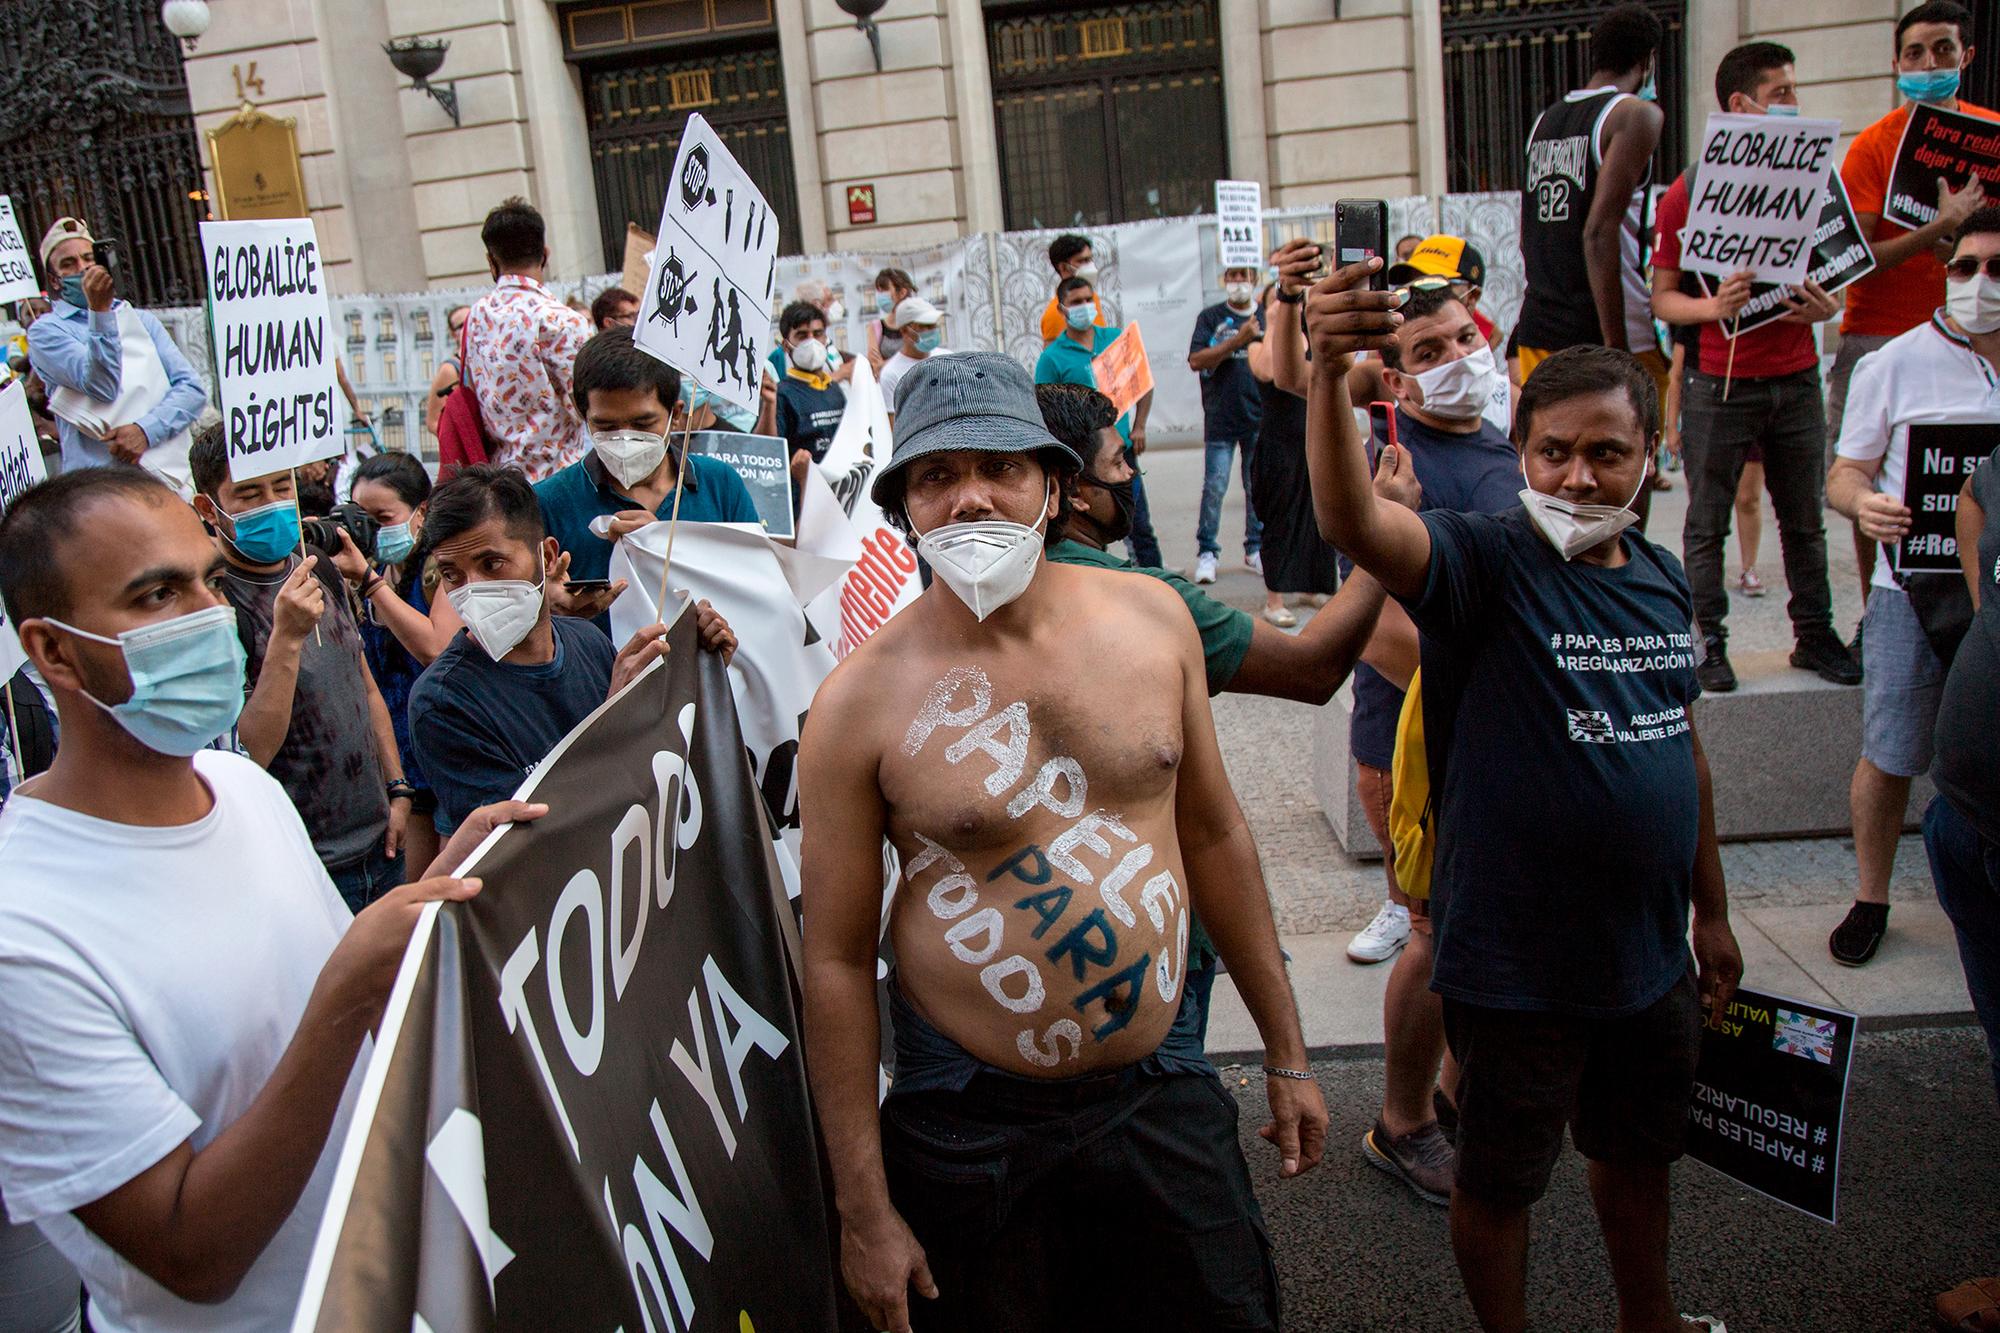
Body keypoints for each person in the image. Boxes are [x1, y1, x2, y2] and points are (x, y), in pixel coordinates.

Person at [799, 351, 1325, 1333]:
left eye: (999, 466)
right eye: (935, 475)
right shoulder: (855, 704)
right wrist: (862, 1207)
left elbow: (1212, 833)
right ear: (903, 504)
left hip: (1155, 1084)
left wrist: (1287, 1051)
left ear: (1054, 485)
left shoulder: (1155, 620)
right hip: (967, 1115)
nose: (969, 499)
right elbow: (832, 959)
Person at [1304, 257, 1742, 1333]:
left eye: (1606, 454)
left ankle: (1651, 1317)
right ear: (1521, 452)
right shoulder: (1482, 559)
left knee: (1637, 1156)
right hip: (1512, 967)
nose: (1579, 478)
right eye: (1554, 452)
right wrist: (1323, 377)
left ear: (1649, 457)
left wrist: (1713, 910)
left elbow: (1677, 743)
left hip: (1645, 957)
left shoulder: (1656, 577)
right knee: (1498, 1183)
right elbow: (1354, 525)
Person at [0, 464, 536, 1333]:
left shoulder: (240, 786)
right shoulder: (23, 939)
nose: (210, 616)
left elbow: (336, 989)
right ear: (53, 649)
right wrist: (351, 987)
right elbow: (193, 1252)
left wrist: (432, 896)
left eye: (209, 581)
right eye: (155, 596)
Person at [1324, 279, 1527, 1205]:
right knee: (1436, 933)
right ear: (1397, 385)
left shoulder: (1507, 444)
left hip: (1507, 728)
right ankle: (1403, 1123)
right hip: (1423, 741)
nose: (1459, 358)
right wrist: (1493, 682)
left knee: (1484, 922)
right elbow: (1371, 628)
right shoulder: (1391, 468)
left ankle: (1456, 1096)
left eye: (1464, 337)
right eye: (1430, 353)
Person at [1649, 40, 1858, 693]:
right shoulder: (1687, 191)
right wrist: (1715, 304)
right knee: (1706, 518)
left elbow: (1843, 275)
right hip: (1722, 378)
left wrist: (1827, 307)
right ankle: (1708, 641)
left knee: (1804, 519)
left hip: (1796, 378)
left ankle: (1814, 634)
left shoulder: (1817, 179)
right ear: (1740, 104)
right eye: (1782, 93)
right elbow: (1662, 295)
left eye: (1794, 91)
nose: (1794, 104)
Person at [1825, 209, 2000, 967]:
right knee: (1891, 747)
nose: (1978, 283)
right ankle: (1871, 894)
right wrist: (1864, 505)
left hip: (1997, 592)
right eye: (1964, 268)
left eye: (1995, 269)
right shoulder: (1891, 363)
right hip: (1911, 591)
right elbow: (1844, 474)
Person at [408, 465, 736, 835]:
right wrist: (615, 713)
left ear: (546, 558)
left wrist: (700, 676)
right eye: (452, 575)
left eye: (492, 564)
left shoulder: (588, 642)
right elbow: (533, 845)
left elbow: (652, 762)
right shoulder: (443, 703)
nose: (473, 589)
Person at [186, 427, 408, 911]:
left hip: (382, 846)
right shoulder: (218, 604)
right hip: (304, 863)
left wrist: (397, 788)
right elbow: (247, 753)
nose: (272, 503)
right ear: (209, 509)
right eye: (249, 493)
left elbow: (364, 685)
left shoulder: (318, 567)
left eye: (281, 487)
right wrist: (285, 636)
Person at [1831, 2, 1998, 641]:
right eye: (1916, 53)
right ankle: (1884, 612)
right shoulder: (1874, 146)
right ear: (1897, 64)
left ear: (1967, 57)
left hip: (1983, 335)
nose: (1930, 64)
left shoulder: (1992, 136)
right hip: (1880, 331)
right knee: (1875, 480)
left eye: (1943, 51)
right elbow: (1858, 258)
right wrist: (1943, 226)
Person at [533, 329, 758, 631]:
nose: (624, 438)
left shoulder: (720, 485)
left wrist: (670, 547)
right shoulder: (548, 502)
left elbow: (758, 589)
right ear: (581, 412)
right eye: (606, 426)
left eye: (642, 423)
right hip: (602, 675)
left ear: (676, 414)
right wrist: (550, 607)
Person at [1513, 6, 1667, 394]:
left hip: (1541, 327)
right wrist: (1617, 348)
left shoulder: (1544, 121)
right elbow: (1598, 231)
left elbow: (1529, 231)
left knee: (1556, 451)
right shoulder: (1636, 115)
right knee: (1638, 449)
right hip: (1608, 330)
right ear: (1649, 59)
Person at [25, 216, 205, 486]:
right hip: (98, 487)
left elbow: (192, 390)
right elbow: (102, 386)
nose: (83, 267)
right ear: (55, 280)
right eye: (68, 264)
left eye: (88, 258)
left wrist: (145, 431)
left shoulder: (140, 320)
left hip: (166, 480)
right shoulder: (46, 332)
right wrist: (100, 313)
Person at [330, 450, 443, 874]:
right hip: (396, 761)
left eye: (382, 518)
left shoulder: (441, 567)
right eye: (359, 518)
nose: (370, 531)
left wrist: (369, 583)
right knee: (411, 885)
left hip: (441, 748)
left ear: (421, 512)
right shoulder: (364, 570)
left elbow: (434, 648)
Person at [460, 197, 593, 480]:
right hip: (560, 478)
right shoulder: (564, 321)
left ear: (491, 260)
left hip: (499, 482)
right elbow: (586, 407)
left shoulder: (476, 316)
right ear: (545, 254)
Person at [1034, 275, 1161, 566]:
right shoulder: (1052, 358)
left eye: (1088, 300)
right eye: (1076, 302)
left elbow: (1143, 384)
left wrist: (1139, 426)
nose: (1084, 307)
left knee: (1138, 522)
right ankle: (1101, 573)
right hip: (1084, 461)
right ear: (1063, 310)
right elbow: (1047, 410)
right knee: (1091, 529)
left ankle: (1155, 577)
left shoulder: (1116, 339)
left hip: (1120, 451)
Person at [1187, 265, 1266, 589]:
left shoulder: (1265, 315)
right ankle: (1208, 552)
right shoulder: (1211, 317)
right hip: (1221, 417)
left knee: (1256, 486)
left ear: (1254, 279)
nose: (1237, 283)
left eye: (1243, 276)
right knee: (1215, 487)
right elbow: (1197, 360)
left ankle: (1256, 548)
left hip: (1259, 416)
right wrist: (1239, 340)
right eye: (1231, 276)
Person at [774, 300, 849, 464]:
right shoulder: (782, 395)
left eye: (817, 334)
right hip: (803, 486)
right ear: (786, 346)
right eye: (802, 335)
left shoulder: (835, 389)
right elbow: (771, 452)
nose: (812, 341)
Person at [878, 296, 948, 413]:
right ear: (904, 331)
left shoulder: (948, 359)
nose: (931, 330)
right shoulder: (890, 375)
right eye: (923, 326)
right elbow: (894, 428)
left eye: (933, 325)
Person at [1037, 233, 1106, 343]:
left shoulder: (1093, 298)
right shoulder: (1054, 315)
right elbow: (1053, 357)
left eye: (1090, 259)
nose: (1090, 265)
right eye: (1082, 260)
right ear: (1063, 267)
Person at [424, 304, 471, 443]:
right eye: (461, 326)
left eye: (471, 322)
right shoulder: (450, 369)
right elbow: (433, 421)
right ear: (453, 334)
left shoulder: (485, 362)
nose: (467, 329)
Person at [867, 266, 917, 372]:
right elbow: (875, 364)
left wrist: (885, 363)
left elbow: (917, 358)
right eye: (878, 291)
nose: (880, 295)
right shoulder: (876, 326)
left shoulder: (918, 323)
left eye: (885, 290)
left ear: (902, 292)